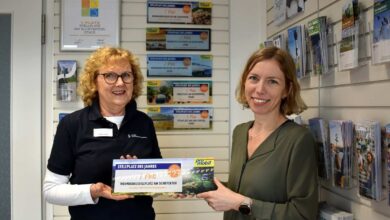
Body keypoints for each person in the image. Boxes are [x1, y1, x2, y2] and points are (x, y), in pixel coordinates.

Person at [197, 46, 318, 219]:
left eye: (272, 81)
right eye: (254, 78)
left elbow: (302, 214)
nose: (260, 89)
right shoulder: (240, 132)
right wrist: (201, 186)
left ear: (287, 90)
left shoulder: (298, 140)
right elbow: (243, 191)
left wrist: (239, 203)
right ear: (245, 82)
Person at [43, 47, 162, 220]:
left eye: (126, 75)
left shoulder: (144, 123)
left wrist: (141, 177)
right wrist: (93, 191)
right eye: (110, 76)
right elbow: (51, 190)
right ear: (93, 82)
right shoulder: (72, 124)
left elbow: (159, 182)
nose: (120, 83)